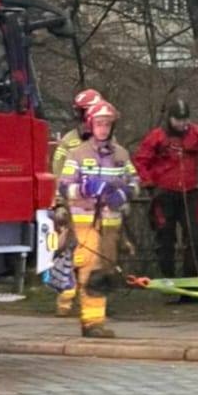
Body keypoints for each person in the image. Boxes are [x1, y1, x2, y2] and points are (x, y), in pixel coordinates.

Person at [56, 99, 139, 339]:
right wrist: (86, 189)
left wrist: (123, 193)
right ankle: (92, 323)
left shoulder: (121, 154)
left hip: (111, 223)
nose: (103, 128)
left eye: (107, 124)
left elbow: (135, 182)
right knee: (90, 270)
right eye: (99, 123)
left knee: (105, 270)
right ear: (91, 125)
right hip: (86, 222)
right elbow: (64, 187)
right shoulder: (77, 154)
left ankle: (93, 319)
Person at [134, 96, 198, 286]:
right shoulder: (156, 137)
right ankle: (168, 282)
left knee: (195, 238)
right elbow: (141, 161)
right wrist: (148, 182)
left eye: (186, 120)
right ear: (170, 119)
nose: (183, 124)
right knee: (165, 240)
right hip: (163, 194)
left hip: (190, 193)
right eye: (179, 120)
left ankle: (189, 281)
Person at [51, 88, 101, 318]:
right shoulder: (69, 143)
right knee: (70, 255)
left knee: (95, 257)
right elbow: (57, 174)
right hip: (73, 208)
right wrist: (59, 205)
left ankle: (88, 302)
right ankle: (66, 299)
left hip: (99, 209)